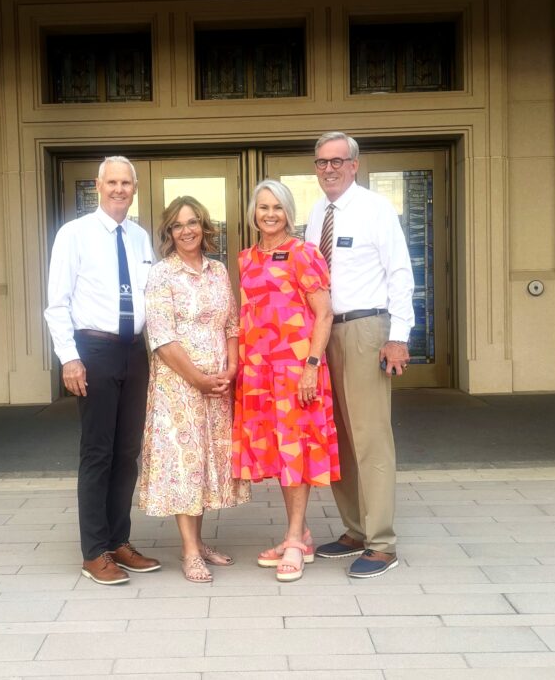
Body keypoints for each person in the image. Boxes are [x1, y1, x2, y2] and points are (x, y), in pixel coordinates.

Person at [44, 155, 161, 585]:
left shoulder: (140, 237)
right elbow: (57, 303)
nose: (118, 189)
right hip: (93, 350)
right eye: (111, 182)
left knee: (127, 453)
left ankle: (118, 541)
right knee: (98, 452)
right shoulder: (73, 234)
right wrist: (69, 358)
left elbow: (152, 297)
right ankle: (94, 552)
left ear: (134, 188)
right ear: (98, 186)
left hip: (134, 352)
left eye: (125, 183)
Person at [305, 132, 415, 578]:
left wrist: (399, 336)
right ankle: (355, 529)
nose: (329, 169)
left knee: (370, 437)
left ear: (354, 164)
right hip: (325, 333)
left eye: (337, 161)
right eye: (322, 162)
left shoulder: (375, 209)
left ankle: (382, 542)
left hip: (366, 330)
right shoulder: (317, 213)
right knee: (339, 437)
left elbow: (400, 272)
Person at [139, 196, 250, 583]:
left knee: (203, 463)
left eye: (192, 222)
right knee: (184, 463)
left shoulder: (217, 271)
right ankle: (189, 552)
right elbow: (161, 337)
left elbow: (232, 324)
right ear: (169, 232)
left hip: (217, 386)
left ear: (204, 226)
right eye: (178, 225)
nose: (186, 230)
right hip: (178, 386)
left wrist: (231, 369)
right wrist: (198, 379)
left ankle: (199, 542)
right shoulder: (161, 275)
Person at [233, 179, 339, 582]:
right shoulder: (246, 259)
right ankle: (302, 534)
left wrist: (311, 364)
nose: (270, 214)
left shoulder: (304, 254)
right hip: (259, 372)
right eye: (263, 207)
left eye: (277, 207)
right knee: (280, 452)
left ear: (289, 212)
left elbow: (324, 314)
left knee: (296, 450)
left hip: (296, 371)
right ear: (253, 213)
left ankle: (294, 539)